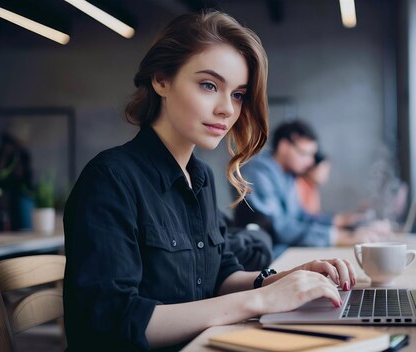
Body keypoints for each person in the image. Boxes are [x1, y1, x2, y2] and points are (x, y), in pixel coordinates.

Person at [63, 11, 356, 351]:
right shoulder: (110, 179)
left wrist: (282, 279)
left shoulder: (199, 177)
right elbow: (113, 322)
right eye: (209, 85)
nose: (227, 110)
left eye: (238, 94)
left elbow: (218, 275)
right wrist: (261, 301)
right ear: (161, 79)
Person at [234, 120, 373, 258]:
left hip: (284, 250)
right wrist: (334, 237)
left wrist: (335, 225)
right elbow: (280, 228)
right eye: (304, 153)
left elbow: (300, 215)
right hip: (263, 255)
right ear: (284, 146)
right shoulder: (257, 172)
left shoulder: (288, 175)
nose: (311, 161)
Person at [295, 150, 331, 214]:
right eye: (323, 171)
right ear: (310, 168)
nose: (325, 176)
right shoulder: (299, 185)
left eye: (327, 172)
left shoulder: (313, 187)